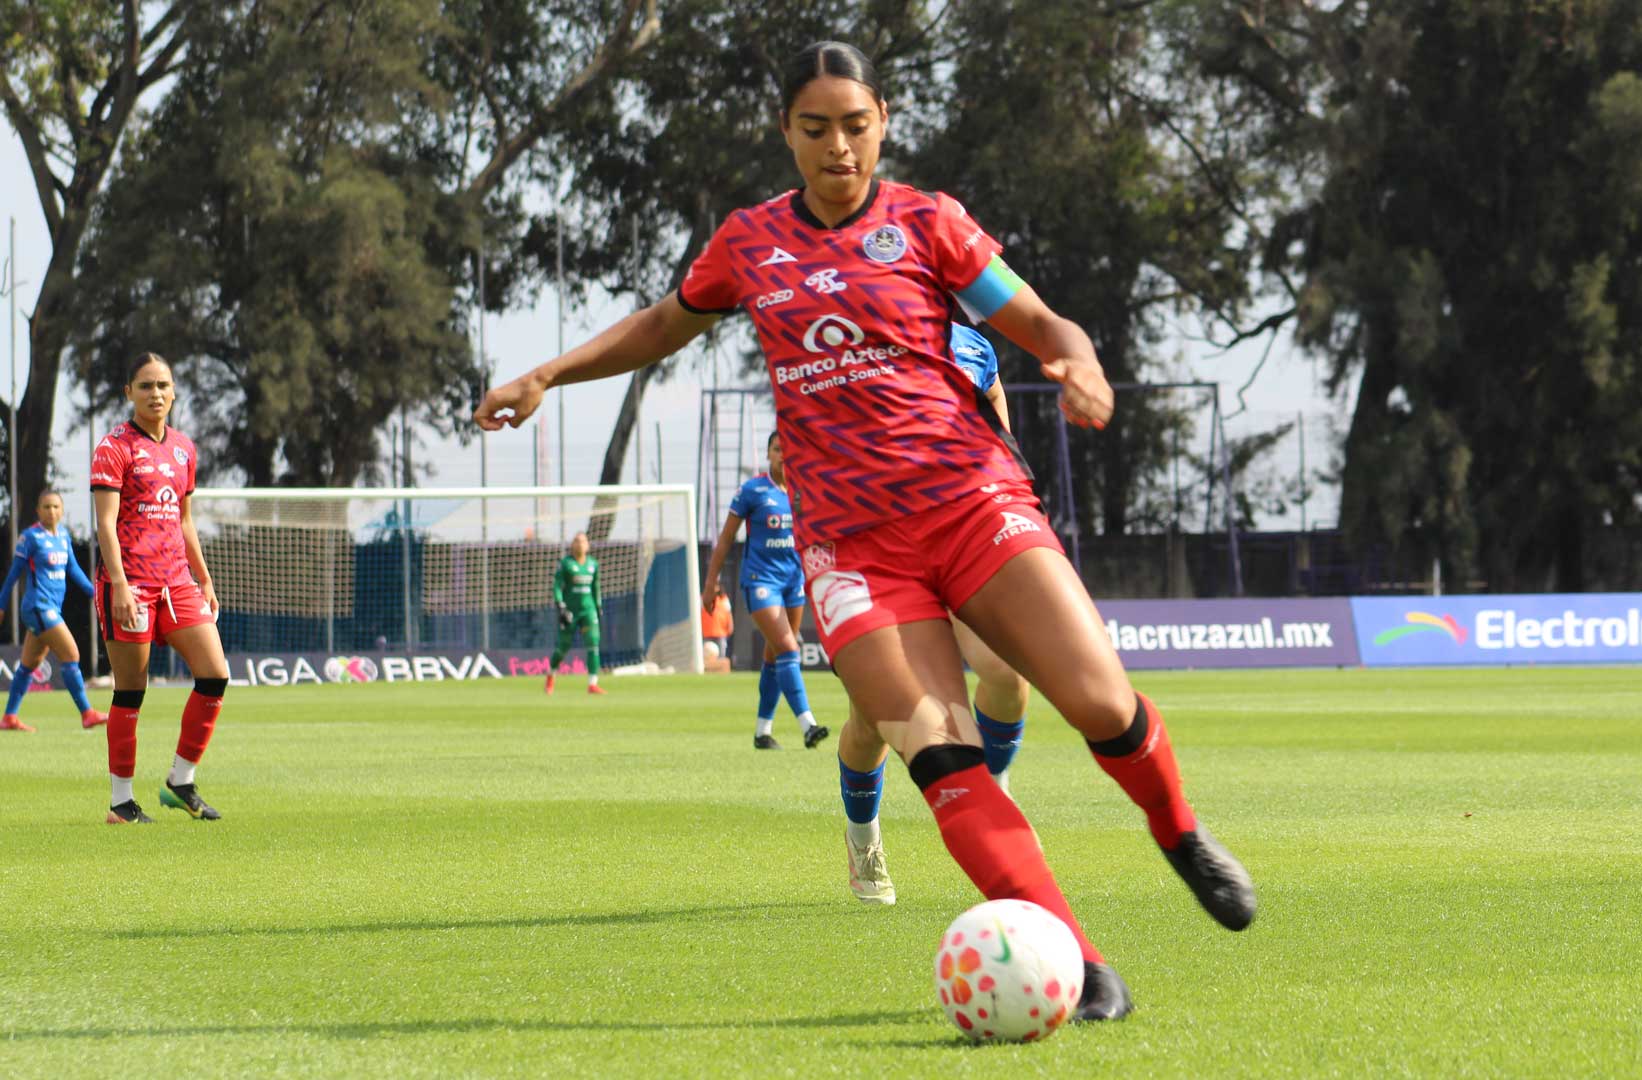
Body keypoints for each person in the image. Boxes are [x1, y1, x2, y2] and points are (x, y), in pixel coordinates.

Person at [474, 40, 1254, 1021]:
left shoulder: (929, 223)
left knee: (1103, 703)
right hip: (851, 549)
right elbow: (664, 324)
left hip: (972, 504)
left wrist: (1080, 362)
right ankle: (1083, 966)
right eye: (816, 129)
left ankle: (1178, 831)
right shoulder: (749, 242)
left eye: (855, 125)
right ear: (786, 132)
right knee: (940, 753)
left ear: (883, 121)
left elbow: (1044, 323)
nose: (838, 147)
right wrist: (547, 374)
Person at [838, 324, 1031, 907]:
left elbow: (996, 420)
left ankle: (995, 793)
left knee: (1007, 672)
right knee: (873, 720)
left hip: (963, 535)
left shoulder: (973, 346)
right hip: (878, 546)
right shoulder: (847, 342)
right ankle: (863, 837)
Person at [90, 352, 230, 824]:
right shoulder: (114, 447)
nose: (156, 394)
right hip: (131, 584)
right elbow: (105, 524)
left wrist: (203, 576)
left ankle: (181, 780)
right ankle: (121, 802)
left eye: (163, 385)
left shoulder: (184, 449)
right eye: (146, 385)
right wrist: (120, 586)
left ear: (173, 392)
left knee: (215, 675)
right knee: (132, 690)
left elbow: (184, 520)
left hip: (177, 583)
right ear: (129, 392)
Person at [703, 432, 828, 750]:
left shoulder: (805, 490)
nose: (783, 455)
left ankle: (762, 732)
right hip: (761, 580)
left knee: (775, 654)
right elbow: (726, 538)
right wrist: (711, 582)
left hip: (793, 581)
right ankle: (808, 725)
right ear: (769, 454)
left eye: (788, 449)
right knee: (788, 647)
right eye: (777, 449)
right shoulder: (753, 490)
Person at [0, 492, 107, 732]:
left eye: (56, 506)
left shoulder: (63, 536)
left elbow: (74, 569)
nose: (51, 511)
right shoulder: (30, 537)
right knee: (71, 654)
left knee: (29, 664)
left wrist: (96, 593)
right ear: (38, 510)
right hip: (38, 607)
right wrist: (1, 604)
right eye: (46, 506)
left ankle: (9, 717)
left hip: (51, 608)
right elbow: (13, 574)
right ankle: (87, 713)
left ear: (62, 509)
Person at [546, 532, 607, 696]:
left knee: (593, 643)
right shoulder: (566, 564)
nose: (580, 544)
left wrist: (598, 605)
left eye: (583, 541)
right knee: (563, 647)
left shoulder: (593, 564)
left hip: (588, 610)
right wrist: (560, 605)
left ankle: (593, 684)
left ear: (588, 545)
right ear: (572, 545)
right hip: (570, 611)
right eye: (577, 541)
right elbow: (557, 586)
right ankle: (551, 675)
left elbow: (595, 587)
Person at [700, 585, 734, 674]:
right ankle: (707, 672)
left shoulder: (724, 599)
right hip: (707, 632)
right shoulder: (703, 598)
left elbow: (728, 614)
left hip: (721, 632)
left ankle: (720, 673)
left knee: (721, 656)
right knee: (706, 655)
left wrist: (730, 626)